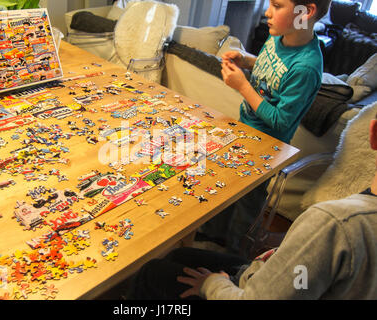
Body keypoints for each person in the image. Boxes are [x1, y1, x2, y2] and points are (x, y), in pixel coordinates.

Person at [127, 113, 377, 300]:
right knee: (179, 256)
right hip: (260, 275)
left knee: (152, 272)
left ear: (373, 134)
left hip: (242, 289)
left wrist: (212, 285)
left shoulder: (333, 223)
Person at [198, 0, 331, 254]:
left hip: (265, 149)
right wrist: (246, 61)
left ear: (306, 12)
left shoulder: (307, 67)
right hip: (243, 131)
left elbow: (281, 120)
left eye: (277, 6)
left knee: (245, 206)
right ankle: (208, 240)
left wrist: (243, 86)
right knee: (222, 189)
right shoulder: (279, 36)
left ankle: (231, 258)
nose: (267, 12)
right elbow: (272, 68)